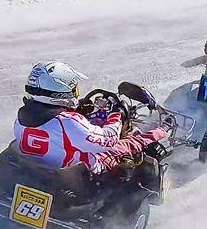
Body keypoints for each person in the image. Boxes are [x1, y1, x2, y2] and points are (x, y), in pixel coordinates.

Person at [14, 61, 166, 175]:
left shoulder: (21, 118)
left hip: (36, 172)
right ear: (60, 91)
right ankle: (163, 132)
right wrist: (116, 114)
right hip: (76, 180)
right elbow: (109, 139)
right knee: (127, 144)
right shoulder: (68, 122)